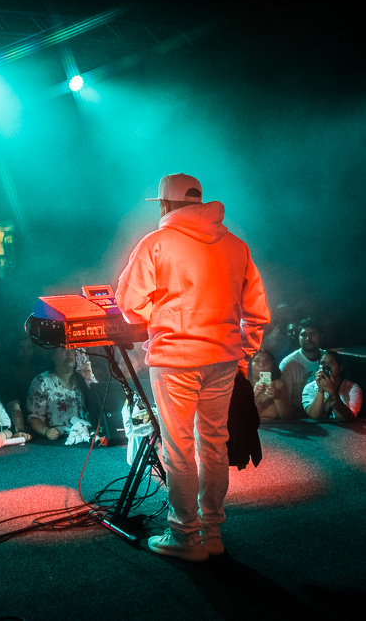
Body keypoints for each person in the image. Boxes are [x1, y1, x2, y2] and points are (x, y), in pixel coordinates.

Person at [115, 173, 270, 562]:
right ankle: (213, 533)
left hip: (174, 361)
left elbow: (128, 303)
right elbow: (257, 312)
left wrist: (157, 317)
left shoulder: (156, 243)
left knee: (179, 451)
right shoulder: (236, 246)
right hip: (222, 360)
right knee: (214, 445)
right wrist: (244, 355)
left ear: (165, 205)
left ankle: (184, 536)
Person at [26, 347, 89, 441]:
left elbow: (101, 407)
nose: (69, 353)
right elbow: (34, 417)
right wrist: (46, 431)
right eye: (63, 350)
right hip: (58, 440)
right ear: (53, 356)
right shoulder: (42, 381)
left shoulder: (83, 379)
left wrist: (89, 378)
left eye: (72, 350)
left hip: (86, 437)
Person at [279, 319, 324, 418]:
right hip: (300, 418)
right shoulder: (288, 364)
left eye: (312, 334)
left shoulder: (328, 359)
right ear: (298, 337)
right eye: (303, 335)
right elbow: (285, 402)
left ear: (321, 336)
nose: (308, 338)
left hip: (328, 416)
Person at [302, 350, 362, 421]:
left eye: (331, 363)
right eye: (323, 363)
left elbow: (346, 418)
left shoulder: (353, 389)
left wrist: (332, 393)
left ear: (340, 368)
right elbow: (314, 415)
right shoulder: (309, 388)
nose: (326, 367)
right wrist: (320, 390)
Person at [247, 350, 292, 421]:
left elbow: (286, 416)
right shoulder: (244, 385)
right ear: (250, 365)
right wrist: (253, 396)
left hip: (275, 428)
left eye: (266, 362)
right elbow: (240, 417)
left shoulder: (278, 385)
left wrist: (277, 397)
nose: (261, 364)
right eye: (257, 361)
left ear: (272, 366)